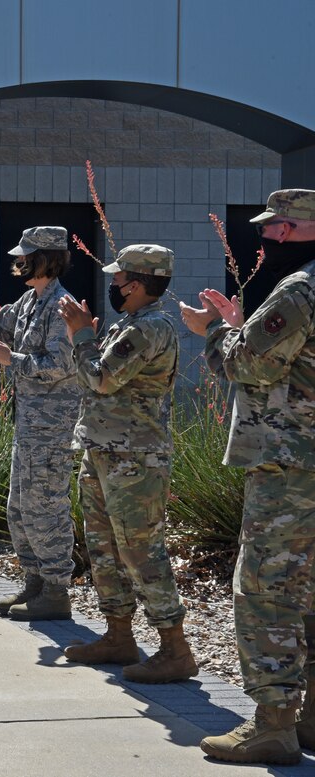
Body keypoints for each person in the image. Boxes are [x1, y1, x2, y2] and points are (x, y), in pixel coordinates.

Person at [181, 189, 315, 765]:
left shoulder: (300, 290)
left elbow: (247, 366)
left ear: (287, 230)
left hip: (290, 467)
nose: (263, 238)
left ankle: (273, 726)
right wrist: (243, 322)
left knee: (266, 590)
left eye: (270, 230)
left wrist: (214, 330)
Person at [56, 244, 196, 683]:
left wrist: (80, 336)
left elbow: (99, 378)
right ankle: (119, 636)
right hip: (105, 451)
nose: (113, 285)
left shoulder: (149, 328)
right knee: (104, 549)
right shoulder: (131, 324)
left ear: (135, 284)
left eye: (118, 279)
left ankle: (175, 649)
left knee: (140, 550)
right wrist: (88, 341)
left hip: (134, 458)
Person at [0, 226, 80, 620]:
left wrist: (9, 359)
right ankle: (34, 582)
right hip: (30, 424)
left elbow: (61, 366)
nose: (18, 262)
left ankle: (55, 591)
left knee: (46, 506)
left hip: (52, 426)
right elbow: (4, 325)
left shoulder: (61, 306)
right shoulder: (32, 300)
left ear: (46, 259)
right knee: (19, 506)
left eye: (26, 256)